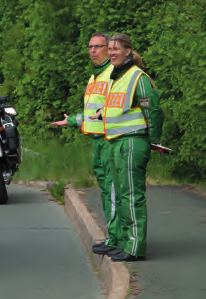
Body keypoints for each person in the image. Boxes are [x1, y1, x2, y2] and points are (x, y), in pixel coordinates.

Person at [91, 33, 164, 262]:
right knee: (120, 195)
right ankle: (122, 241)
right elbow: (121, 108)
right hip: (115, 142)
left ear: (128, 52)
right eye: (110, 49)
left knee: (131, 196)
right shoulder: (117, 77)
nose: (111, 52)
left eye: (116, 49)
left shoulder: (137, 77)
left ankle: (134, 247)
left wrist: (151, 139)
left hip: (132, 142)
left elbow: (151, 109)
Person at [51, 32, 120, 253]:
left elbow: (116, 108)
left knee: (113, 190)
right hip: (97, 142)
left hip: (111, 141)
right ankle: (114, 236)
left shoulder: (114, 74)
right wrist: (72, 120)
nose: (93, 51)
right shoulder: (94, 78)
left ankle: (117, 238)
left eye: (98, 46)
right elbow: (93, 113)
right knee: (106, 190)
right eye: (90, 47)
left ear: (109, 49)